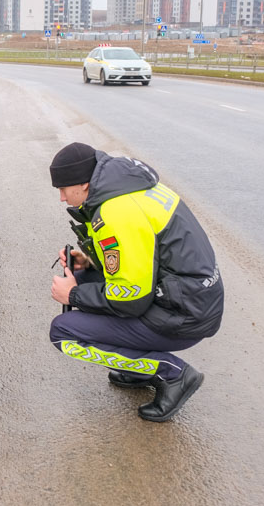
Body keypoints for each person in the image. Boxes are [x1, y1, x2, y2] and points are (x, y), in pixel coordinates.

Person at [47, 142, 223, 422]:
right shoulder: (124, 187)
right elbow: (140, 259)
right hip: (192, 298)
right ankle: (137, 368)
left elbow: (132, 300)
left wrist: (75, 296)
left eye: (63, 189)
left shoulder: (116, 210)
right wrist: (89, 262)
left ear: (82, 184)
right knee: (81, 277)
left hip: (185, 315)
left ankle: (173, 374)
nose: (61, 197)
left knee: (63, 332)